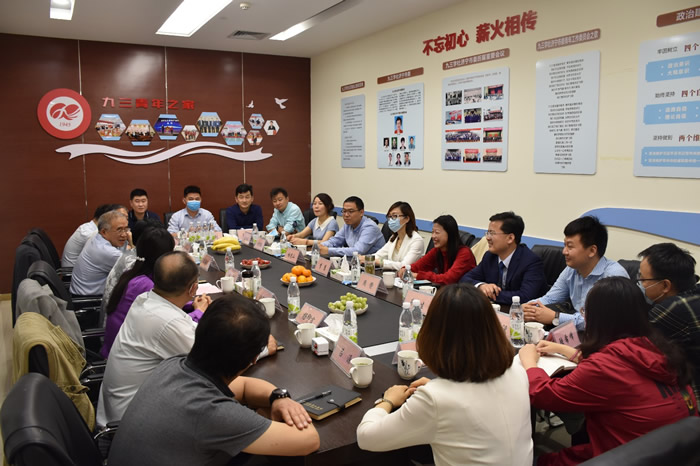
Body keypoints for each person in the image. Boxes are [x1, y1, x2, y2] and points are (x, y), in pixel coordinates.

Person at [108, 294, 319, 465]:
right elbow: (309, 440)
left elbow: (245, 386)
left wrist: (278, 397)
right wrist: (285, 409)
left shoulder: (174, 365)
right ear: (254, 358)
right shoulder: (212, 412)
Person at [519, 277, 698, 465]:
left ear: (598, 318)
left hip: (622, 456)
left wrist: (529, 362)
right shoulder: (657, 347)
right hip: (672, 453)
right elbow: (624, 370)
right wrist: (565, 350)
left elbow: (545, 395)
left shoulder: (604, 366)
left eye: (585, 311)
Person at [357, 283, 532, 465]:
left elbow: (366, 437)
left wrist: (387, 401)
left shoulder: (435, 399)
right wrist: (437, 389)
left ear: (434, 335)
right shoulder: (518, 372)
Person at [96, 251, 209, 425]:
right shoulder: (167, 322)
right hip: (132, 422)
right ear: (193, 288)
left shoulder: (145, 298)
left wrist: (198, 313)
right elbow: (209, 363)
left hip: (122, 407)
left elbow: (184, 326)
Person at [101, 226, 204, 359]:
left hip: (127, 347)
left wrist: (192, 305)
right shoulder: (144, 286)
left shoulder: (135, 273)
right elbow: (169, 322)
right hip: (126, 353)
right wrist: (199, 312)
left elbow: (167, 306)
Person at [522, 216, 628, 330]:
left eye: (570, 246)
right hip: (580, 333)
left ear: (592, 250)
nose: (564, 252)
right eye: (565, 245)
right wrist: (526, 307)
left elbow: (599, 321)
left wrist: (556, 317)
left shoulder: (614, 276)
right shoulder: (572, 269)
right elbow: (550, 298)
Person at [639, 243, 700, 400]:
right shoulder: (694, 294)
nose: (640, 284)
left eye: (643, 279)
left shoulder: (673, 307)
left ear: (665, 285)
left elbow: (633, 345)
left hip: (691, 395)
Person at [460, 211, 546, 305]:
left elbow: (525, 296)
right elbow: (465, 279)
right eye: (488, 233)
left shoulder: (531, 261)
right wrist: (481, 286)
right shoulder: (490, 256)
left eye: (492, 233)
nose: (487, 238)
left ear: (510, 238)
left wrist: (490, 293)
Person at [401, 215, 475, 285]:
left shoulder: (464, 253)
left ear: (450, 234)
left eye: (437, 232)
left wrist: (418, 275)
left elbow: (448, 279)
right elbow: (417, 266)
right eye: (432, 232)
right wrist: (405, 269)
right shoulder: (437, 251)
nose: (433, 236)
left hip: (463, 292)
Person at [69, 210, 130, 296]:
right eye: (119, 230)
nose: (124, 234)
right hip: (90, 300)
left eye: (126, 229)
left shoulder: (97, 237)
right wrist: (132, 244)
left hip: (84, 293)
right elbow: (137, 269)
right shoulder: (106, 251)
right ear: (104, 232)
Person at [366, 201, 424, 271]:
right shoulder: (394, 238)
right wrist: (364, 258)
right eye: (389, 216)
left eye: (394, 216)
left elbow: (404, 266)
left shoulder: (417, 240)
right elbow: (378, 255)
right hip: (392, 275)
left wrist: (380, 262)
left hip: (408, 276)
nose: (390, 220)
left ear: (406, 219)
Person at [320, 196, 385, 257]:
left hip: (372, 263)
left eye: (351, 211)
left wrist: (329, 251)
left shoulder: (370, 227)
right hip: (355, 261)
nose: (346, 215)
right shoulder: (348, 225)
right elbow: (335, 241)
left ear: (361, 212)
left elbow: (358, 251)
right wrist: (320, 246)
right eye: (344, 211)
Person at [61, 203, 113, 268]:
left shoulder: (88, 227)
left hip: (78, 267)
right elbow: (104, 256)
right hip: (71, 271)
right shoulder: (89, 233)